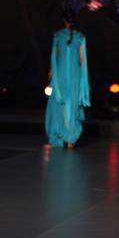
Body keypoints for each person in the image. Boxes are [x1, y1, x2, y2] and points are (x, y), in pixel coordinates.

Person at [44, 11, 91, 148]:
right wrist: (83, 81)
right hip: (74, 75)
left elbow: (55, 56)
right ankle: (70, 137)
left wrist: (51, 73)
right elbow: (82, 60)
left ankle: (63, 134)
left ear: (64, 20)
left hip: (60, 74)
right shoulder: (80, 37)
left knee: (60, 103)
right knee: (71, 103)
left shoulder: (58, 35)